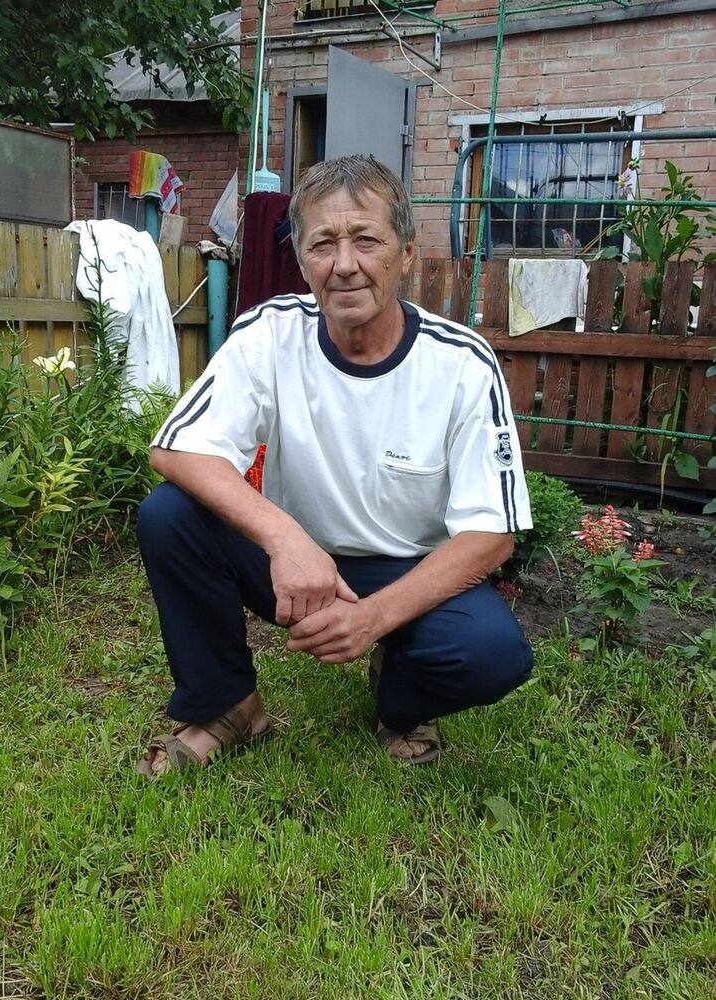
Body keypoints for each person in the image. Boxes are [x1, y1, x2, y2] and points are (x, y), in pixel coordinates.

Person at [136, 155, 534, 777]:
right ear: (302, 260)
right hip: (296, 566)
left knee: (492, 651)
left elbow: (492, 535)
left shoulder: (461, 365)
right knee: (169, 515)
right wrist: (285, 538)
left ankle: (400, 700)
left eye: (366, 240)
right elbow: (177, 448)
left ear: (406, 253)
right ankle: (229, 707)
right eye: (323, 244)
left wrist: (371, 619)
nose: (344, 264)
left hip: (409, 568)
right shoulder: (270, 334)